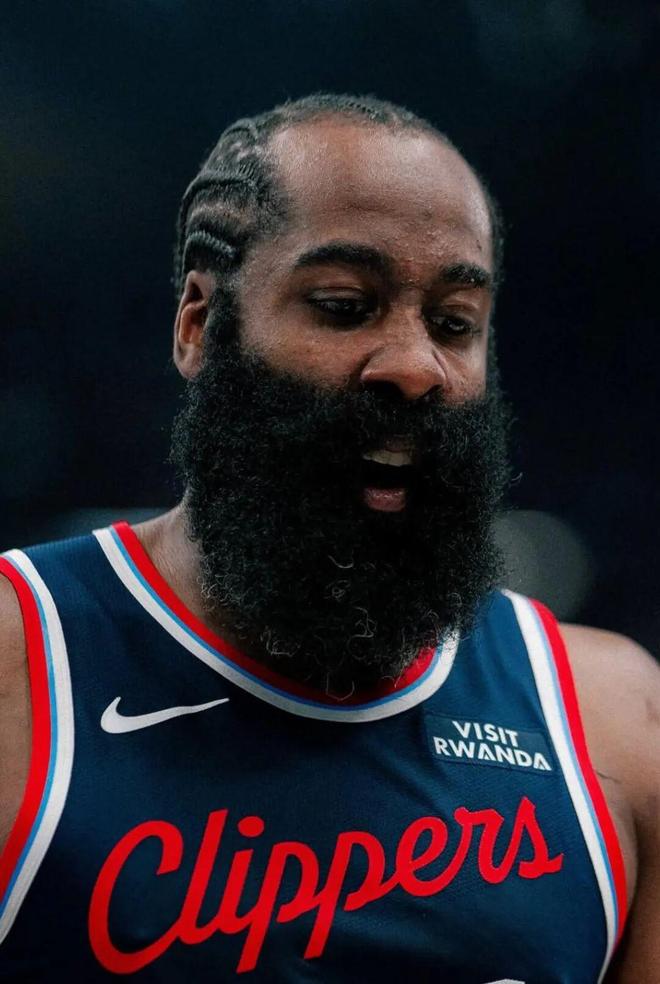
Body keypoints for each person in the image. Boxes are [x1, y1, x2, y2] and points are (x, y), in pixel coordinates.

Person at [0, 93, 657, 983]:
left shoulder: (617, 725)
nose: (415, 367)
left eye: (454, 323)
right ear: (199, 324)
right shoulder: (19, 664)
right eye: (345, 306)